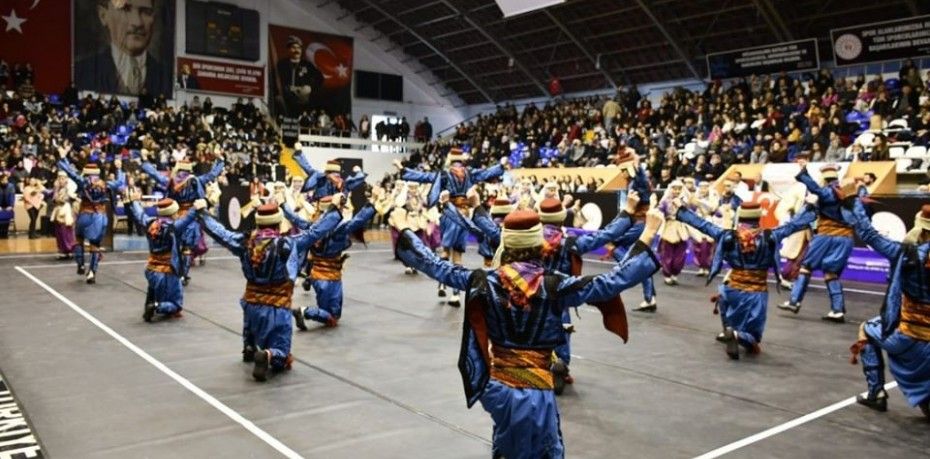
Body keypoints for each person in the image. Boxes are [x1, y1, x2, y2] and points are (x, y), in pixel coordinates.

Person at [392, 207, 663, 459]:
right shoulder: (554, 286)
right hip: (536, 391)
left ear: (506, 244)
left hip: (496, 387)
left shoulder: (484, 281)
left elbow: (436, 266)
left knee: (506, 448)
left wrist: (405, 231)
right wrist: (648, 233)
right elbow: (612, 281)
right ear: (537, 244)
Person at [197, 196, 343, 381]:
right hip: (277, 307)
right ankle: (267, 355)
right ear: (278, 221)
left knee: (250, 322)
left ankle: (249, 347)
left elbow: (222, 233)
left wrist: (203, 214)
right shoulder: (288, 243)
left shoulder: (245, 243)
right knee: (282, 355)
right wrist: (334, 209)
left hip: (251, 303)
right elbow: (314, 232)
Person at [678, 200, 816, 359]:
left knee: (725, 304)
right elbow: (793, 225)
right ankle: (737, 336)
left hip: (732, 289)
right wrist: (810, 209)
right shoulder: (770, 235)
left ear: (740, 217)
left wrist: (682, 212)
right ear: (759, 217)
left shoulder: (727, 236)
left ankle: (728, 331)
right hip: (755, 292)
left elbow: (703, 225)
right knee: (753, 334)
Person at [847, 199, 930, 418]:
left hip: (912, 334)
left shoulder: (907, 254)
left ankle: (876, 393)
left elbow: (869, 234)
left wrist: (855, 203)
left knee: (867, 329)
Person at [394, 148, 507, 306]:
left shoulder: (445, 174)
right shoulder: (469, 173)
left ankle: (442, 283)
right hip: (464, 215)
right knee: (458, 254)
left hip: (449, 213)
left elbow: (425, 177)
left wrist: (403, 170)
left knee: (445, 249)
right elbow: (486, 173)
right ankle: (456, 295)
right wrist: (500, 166)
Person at [779, 162, 860, 322]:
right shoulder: (850, 193)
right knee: (831, 273)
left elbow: (816, 189)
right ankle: (837, 310)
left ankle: (794, 301)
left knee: (806, 267)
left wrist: (803, 173)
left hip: (826, 236)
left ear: (824, 178)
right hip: (846, 238)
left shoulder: (828, 192)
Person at [287, 195, 375, 328]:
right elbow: (358, 221)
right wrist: (373, 205)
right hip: (329, 278)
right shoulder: (339, 231)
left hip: (317, 275)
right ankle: (304, 311)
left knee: (331, 314)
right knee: (333, 317)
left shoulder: (313, 227)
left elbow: (295, 219)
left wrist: (283, 205)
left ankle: (306, 311)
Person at [140, 152, 225, 285]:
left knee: (175, 246)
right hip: (190, 216)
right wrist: (220, 161)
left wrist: (145, 162)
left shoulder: (172, 180)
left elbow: (156, 175)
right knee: (187, 248)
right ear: (189, 169)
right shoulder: (195, 180)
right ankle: (183, 275)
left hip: (174, 216)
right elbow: (211, 175)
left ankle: (176, 271)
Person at [74, 0, 171, 96]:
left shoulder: (166, 77)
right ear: (103, 15)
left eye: (146, 11)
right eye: (125, 10)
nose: (137, 23)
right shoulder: (82, 71)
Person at [57, 151, 125, 284]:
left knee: (79, 240)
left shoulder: (83, 181)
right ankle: (92, 272)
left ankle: (81, 264)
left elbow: (70, 172)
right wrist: (119, 168)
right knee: (95, 245)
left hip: (84, 215)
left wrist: (63, 158)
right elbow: (120, 182)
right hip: (99, 217)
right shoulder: (106, 184)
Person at [129, 194, 199, 322]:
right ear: (172, 213)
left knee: (153, 288)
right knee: (176, 305)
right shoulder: (173, 228)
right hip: (166, 271)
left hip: (150, 268)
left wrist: (134, 202)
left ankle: (151, 302)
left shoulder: (150, 223)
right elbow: (188, 218)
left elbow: (140, 214)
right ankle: (156, 306)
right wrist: (197, 207)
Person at [273, 35, 323, 117]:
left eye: (299, 48)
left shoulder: (307, 65)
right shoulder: (282, 64)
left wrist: (310, 88)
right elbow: (275, 80)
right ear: (288, 49)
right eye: (293, 47)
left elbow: (320, 78)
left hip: (302, 100)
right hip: (287, 99)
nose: (296, 50)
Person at [656, 180, 689, 285]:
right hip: (669, 227)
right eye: (675, 189)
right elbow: (659, 212)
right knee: (667, 253)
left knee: (680, 254)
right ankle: (667, 275)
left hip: (681, 227)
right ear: (671, 189)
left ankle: (675, 273)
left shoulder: (685, 201)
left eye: (679, 189)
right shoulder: (665, 201)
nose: (677, 191)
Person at [50, 172, 77, 260]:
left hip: (66, 211)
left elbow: (67, 199)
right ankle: (62, 250)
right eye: (59, 178)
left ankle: (70, 250)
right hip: (58, 210)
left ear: (66, 179)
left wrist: (60, 198)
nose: (61, 180)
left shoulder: (69, 188)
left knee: (67, 231)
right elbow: (54, 199)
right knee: (59, 231)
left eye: (63, 178)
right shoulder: (56, 189)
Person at [0, 173, 16, 239]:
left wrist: (11, 206)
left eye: (6, 179)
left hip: (8, 205)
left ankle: (5, 233)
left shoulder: (11, 186)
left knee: (7, 218)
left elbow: (12, 196)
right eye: (3, 180)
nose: (5, 181)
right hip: (0, 205)